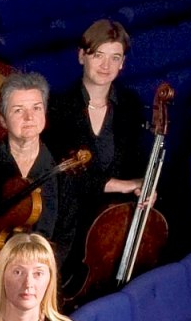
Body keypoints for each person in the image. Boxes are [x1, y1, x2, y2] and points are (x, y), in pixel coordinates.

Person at [0, 70, 79, 270]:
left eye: (36, 108)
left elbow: (65, 236)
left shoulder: (63, 170)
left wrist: (44, 275)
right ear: (2, 119)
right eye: (18, 110)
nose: (29, 117)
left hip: (42, 272)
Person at [46, 19, 151, 201]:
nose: (106, 65)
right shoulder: (57, 106)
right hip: (71, 212)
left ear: (122, 63)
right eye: (98, 55)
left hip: (118, 212)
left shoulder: (130, 105)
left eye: (114, 58)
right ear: (81, 56)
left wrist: (145, 187)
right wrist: (123, 185)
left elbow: (139, 162)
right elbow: (59, 173)